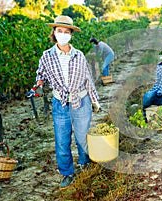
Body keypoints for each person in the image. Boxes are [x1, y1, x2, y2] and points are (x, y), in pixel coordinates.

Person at [35, 15, 101, 190]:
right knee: (62, 140)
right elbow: (40, 74)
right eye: (59, 31)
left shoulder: (79, 55)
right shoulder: (47, 56)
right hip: (60, 103)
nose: (62, 34)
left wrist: (95, 100)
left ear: (71, 34)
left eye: (66, 32)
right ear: (54, 33)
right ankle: (67, 173)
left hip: (80, 101)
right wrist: (39, 84)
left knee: (82, 137)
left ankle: (84, 162)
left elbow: (88, 79)